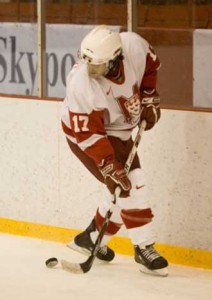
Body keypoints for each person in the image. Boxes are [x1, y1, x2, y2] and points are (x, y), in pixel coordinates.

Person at [61, 25, 168, 276]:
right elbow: (88, 133)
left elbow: (151, 65)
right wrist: (108, 165)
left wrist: (149, 96)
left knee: (122, 190)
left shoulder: (133, 46)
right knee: (133, 183)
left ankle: (91, 239)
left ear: (115, 58)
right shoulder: (81, 83)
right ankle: (144, 247)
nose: (91, 69)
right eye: (87, 62)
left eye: (97, 65)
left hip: (118, 130)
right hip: (86, 137)